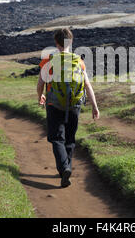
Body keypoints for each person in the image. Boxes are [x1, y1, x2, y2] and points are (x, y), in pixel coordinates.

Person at [37, 28, 100, 188]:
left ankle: (64, 169)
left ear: (56, 43)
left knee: (57, 138)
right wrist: (94, 105)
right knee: (70, 139)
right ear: (70, 42)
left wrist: (40, 97)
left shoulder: (49, 60)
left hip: (54, 104)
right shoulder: (78, 61)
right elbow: (86, 84)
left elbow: (40, 84)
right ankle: (67, 167)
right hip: (74, 105)